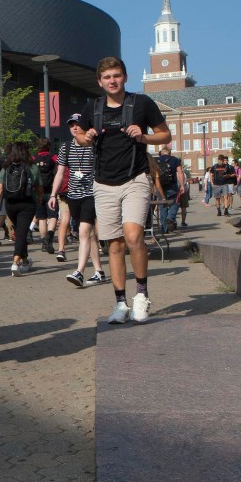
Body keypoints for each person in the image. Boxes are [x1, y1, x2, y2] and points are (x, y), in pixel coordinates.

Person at [82, 56, 170, 324]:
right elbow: (79, 135)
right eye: (107, 77)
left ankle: (141, 295)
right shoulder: (93, 107)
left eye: (117, 75)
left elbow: (165, 135)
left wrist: (143, 136)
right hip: (103, 183)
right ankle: (120, 303)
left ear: (125, 77)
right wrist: (85, 137)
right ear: (100, 81)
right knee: (115, 244)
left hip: (135, 178)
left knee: (133, 235)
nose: (112, 81)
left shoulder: (141, 103)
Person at [49, 113, 107, 287]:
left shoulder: (94, 145)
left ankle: (79, 272)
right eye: (71, 124)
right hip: (72, 195)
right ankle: (99, 272)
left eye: (78, 124)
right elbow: (60, 173)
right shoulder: (65, 147)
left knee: (83, 232)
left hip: (91, 193)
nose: (74, 127)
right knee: (89, 235)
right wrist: (53, 194)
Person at [0, 142, 42, 276]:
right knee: (21, 233)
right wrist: (40, 198)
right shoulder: (31, 167)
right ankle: (15, 263)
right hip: (27, 204)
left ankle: (25, 261)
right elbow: (39, 187)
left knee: (20, 231)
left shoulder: (6, 167)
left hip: (10, 204)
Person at [33, 138, 58, 253]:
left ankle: (44, 242)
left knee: (41, 218)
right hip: (50, 191)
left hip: (38, 193)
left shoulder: (34, 159)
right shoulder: (53, 158)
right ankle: (50, 235)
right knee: (53, 216)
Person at [154, 145, 185, 233]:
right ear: (169, 153)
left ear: (161, 153)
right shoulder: (174, 160)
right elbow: (180, 173)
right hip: (172, 186)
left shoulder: (156, 161)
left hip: (160, 186)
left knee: (162, 206)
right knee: (175, 202)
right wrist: (182, 185)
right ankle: (170, 217)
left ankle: (164, 229)